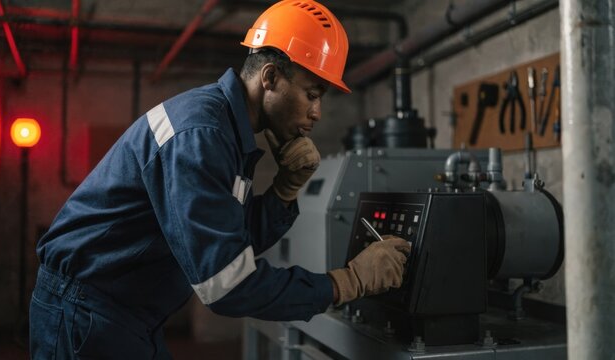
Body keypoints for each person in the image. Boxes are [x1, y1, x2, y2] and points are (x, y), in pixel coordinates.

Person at [29, 0, 411, 358]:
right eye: (312, 94)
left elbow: (230, 245)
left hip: (120, 310)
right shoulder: (202, 135)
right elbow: (227, 286)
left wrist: (284, 189)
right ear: (271, 77)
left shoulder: (227, 131)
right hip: (84, 310)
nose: (317, 112)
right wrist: (347, 282)